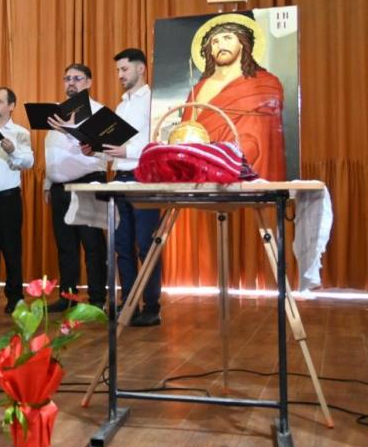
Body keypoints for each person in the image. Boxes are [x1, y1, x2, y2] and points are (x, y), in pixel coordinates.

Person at [102, 49, 162, 325]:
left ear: (141, 69)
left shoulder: (153, 101)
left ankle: (152, 306)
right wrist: (96, 149)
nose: (120, 75)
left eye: (124, 69)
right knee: (122, 245)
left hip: (144, 176)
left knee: (146, 244)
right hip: (120, 177)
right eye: (118, 70)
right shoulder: (121, 105)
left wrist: (126, 151)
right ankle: (129, 303)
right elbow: (115, 147)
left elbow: (157, 141)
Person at [183, 20, 286, 180]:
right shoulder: (198, 89)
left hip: (241, 174)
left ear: (242, 44)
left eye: (227, 38)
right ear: (210, 51)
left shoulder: (263, 84)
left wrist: (222, 163)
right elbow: (185, 133)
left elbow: (257, 137)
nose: (220, 45)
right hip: (199, 175)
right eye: (215, 42)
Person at [43, 64, 107, 312]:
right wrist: (48, 181)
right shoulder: (57, 113)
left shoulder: (98, 112)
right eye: (67, 78)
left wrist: (68, 131)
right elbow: (52, 151)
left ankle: (97, 298)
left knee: (92, 245)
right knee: (65, 245)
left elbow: (102, 151)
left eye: (77, 78)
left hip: (88, 183)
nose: (71, 83)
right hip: (60, 188)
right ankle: (67, 296)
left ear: (89, 82)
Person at [0, 87, 34, 315]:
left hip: (8, 199)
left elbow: (29, 162)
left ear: (11, 106)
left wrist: (13, 151)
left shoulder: (20, 132)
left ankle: (15, 297)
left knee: (12, 251)